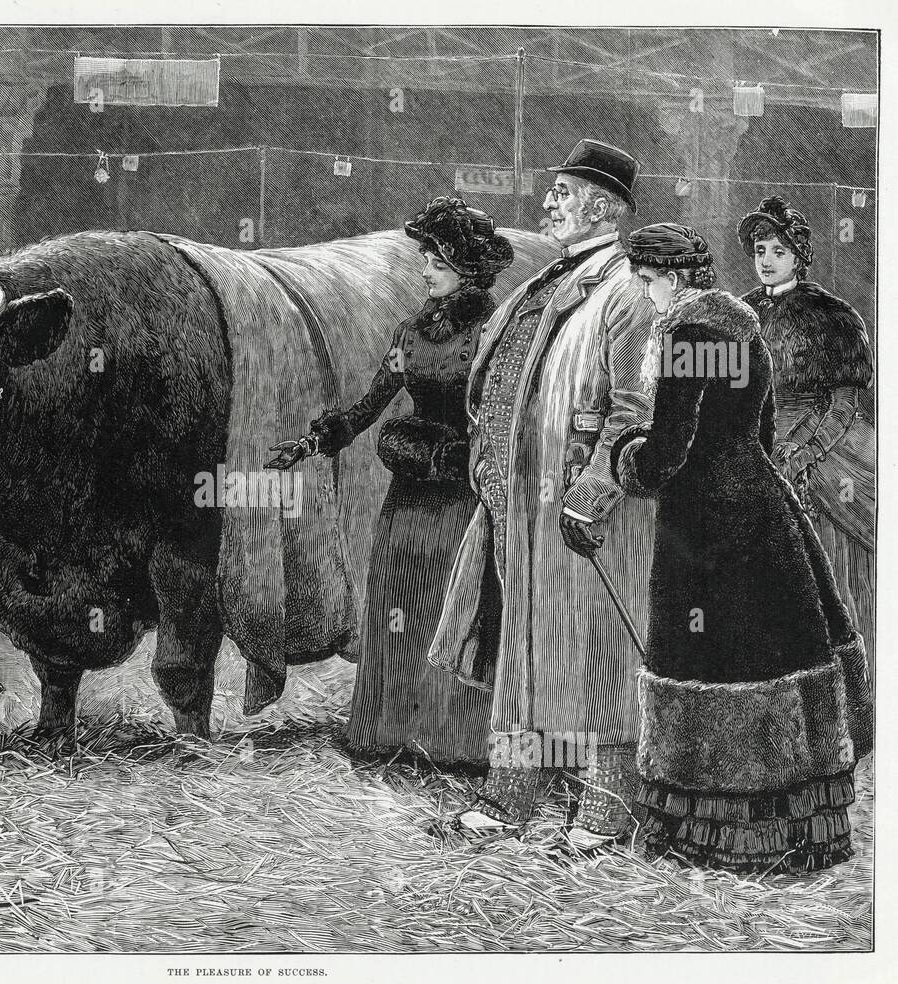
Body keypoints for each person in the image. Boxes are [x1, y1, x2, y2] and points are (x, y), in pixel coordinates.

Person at [608, 222, 863, 874]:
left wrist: (623, 457)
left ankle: (713, 838)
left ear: (674, 277)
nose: (645, 291)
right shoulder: (745, 327)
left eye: (647, 278)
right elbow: (765, 427)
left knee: (710, 668)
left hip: (707, 526)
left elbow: (668, 450)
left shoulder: (687, 336)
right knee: (769, 653)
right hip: (762, 511)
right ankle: (791, 832)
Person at [428, 140, 657, 850]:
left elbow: (636, 406)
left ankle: (607, 810)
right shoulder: (546, 281)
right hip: (518, 504)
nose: (548, 203)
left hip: (586, 516)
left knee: (600, 658)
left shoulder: (627, 289)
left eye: (562, 192)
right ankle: (509, 797)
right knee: (523, 656)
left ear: (602, 206)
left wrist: (592, 492)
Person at [266, 197, 514, 764]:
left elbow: (502, 416)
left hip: (461, 496)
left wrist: (471, 461)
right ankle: (389, 729)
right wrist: (312, 443)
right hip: (409, 497)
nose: (424, 269)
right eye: (424, 257)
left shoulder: (494, 330)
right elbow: (368, 406)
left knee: (449, 605)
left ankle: (455, 739)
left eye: (436, 261)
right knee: (399, 601)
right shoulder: (411, 331)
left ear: (465, 269)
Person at [737, 196, 875, 756]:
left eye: (779, 251)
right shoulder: (738, 313)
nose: (767, 260)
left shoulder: (834, 317)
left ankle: (844, 714)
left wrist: (801, 452)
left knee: (833, 581)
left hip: (824, 455)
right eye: (760, 251)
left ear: (800, 255)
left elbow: (843, 401)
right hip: (752, 447)